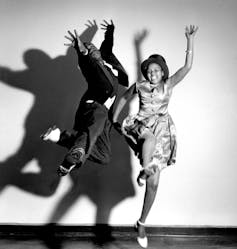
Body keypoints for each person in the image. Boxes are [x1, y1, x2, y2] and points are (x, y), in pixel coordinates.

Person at [112, 25, 198, 248]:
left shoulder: (169, 85)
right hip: (141, 124)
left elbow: (187, 67)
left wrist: (189, 41)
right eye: (149, 71)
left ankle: (141, 223)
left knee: (154, 184)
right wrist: (114, 117)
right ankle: (146, 166)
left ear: (163, 72)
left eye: (156, 71)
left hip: (163, 129)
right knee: (148, 140)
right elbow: (123, 98)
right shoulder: (140, 85)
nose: (152, 74)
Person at [41, 20, 128, 176]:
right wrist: (82, 50)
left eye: (94, 48)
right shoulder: (94, 69)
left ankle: (59, 137)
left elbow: (107, 47)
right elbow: (88, 63)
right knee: (96, 122)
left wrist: (109, 31)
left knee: (104, 156)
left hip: (102, 114)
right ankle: (74, 157)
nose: (93, 50)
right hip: (95, 106)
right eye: (90, 49)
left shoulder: (107, 60)